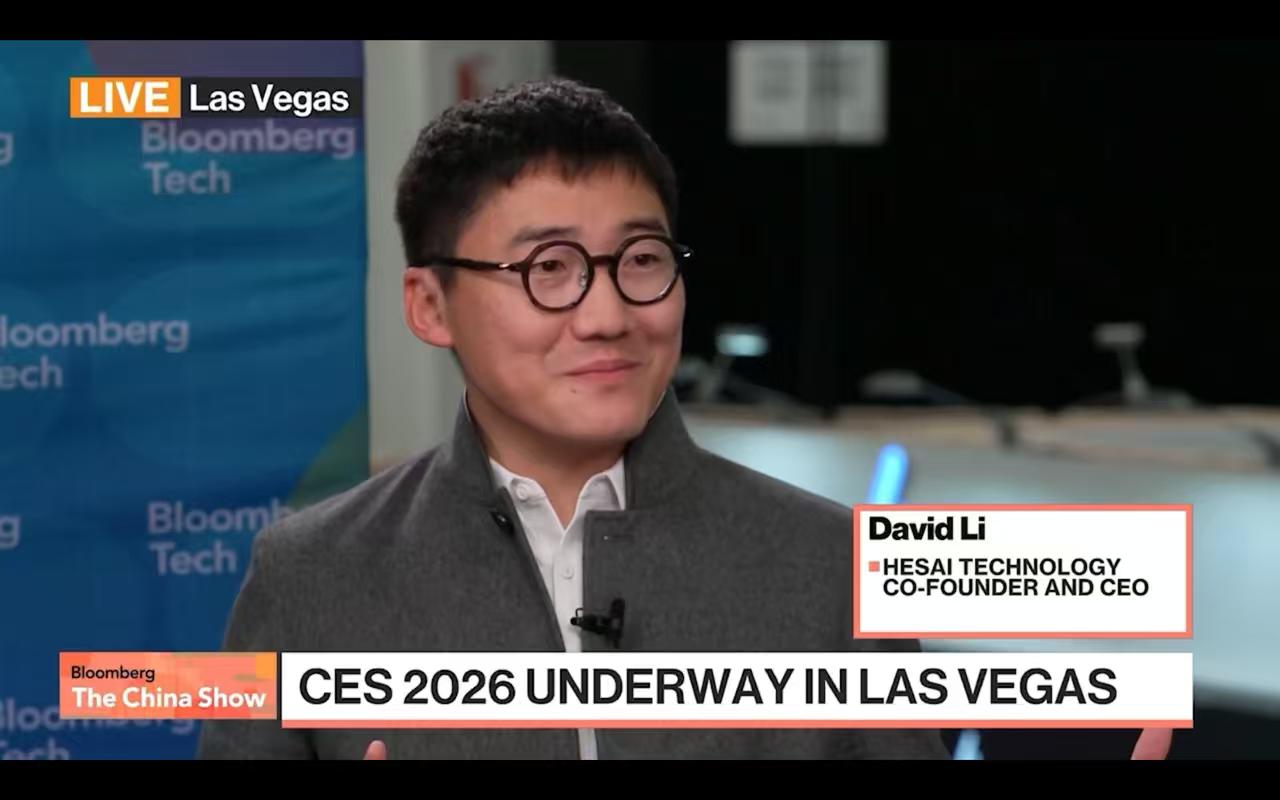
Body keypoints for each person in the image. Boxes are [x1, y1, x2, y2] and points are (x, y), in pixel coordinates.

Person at [195, 76, 944, 759]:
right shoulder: (310, 576)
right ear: (430, 306)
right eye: (548, 268)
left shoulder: (835, 569)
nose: (609, 316)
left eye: (642, 259)